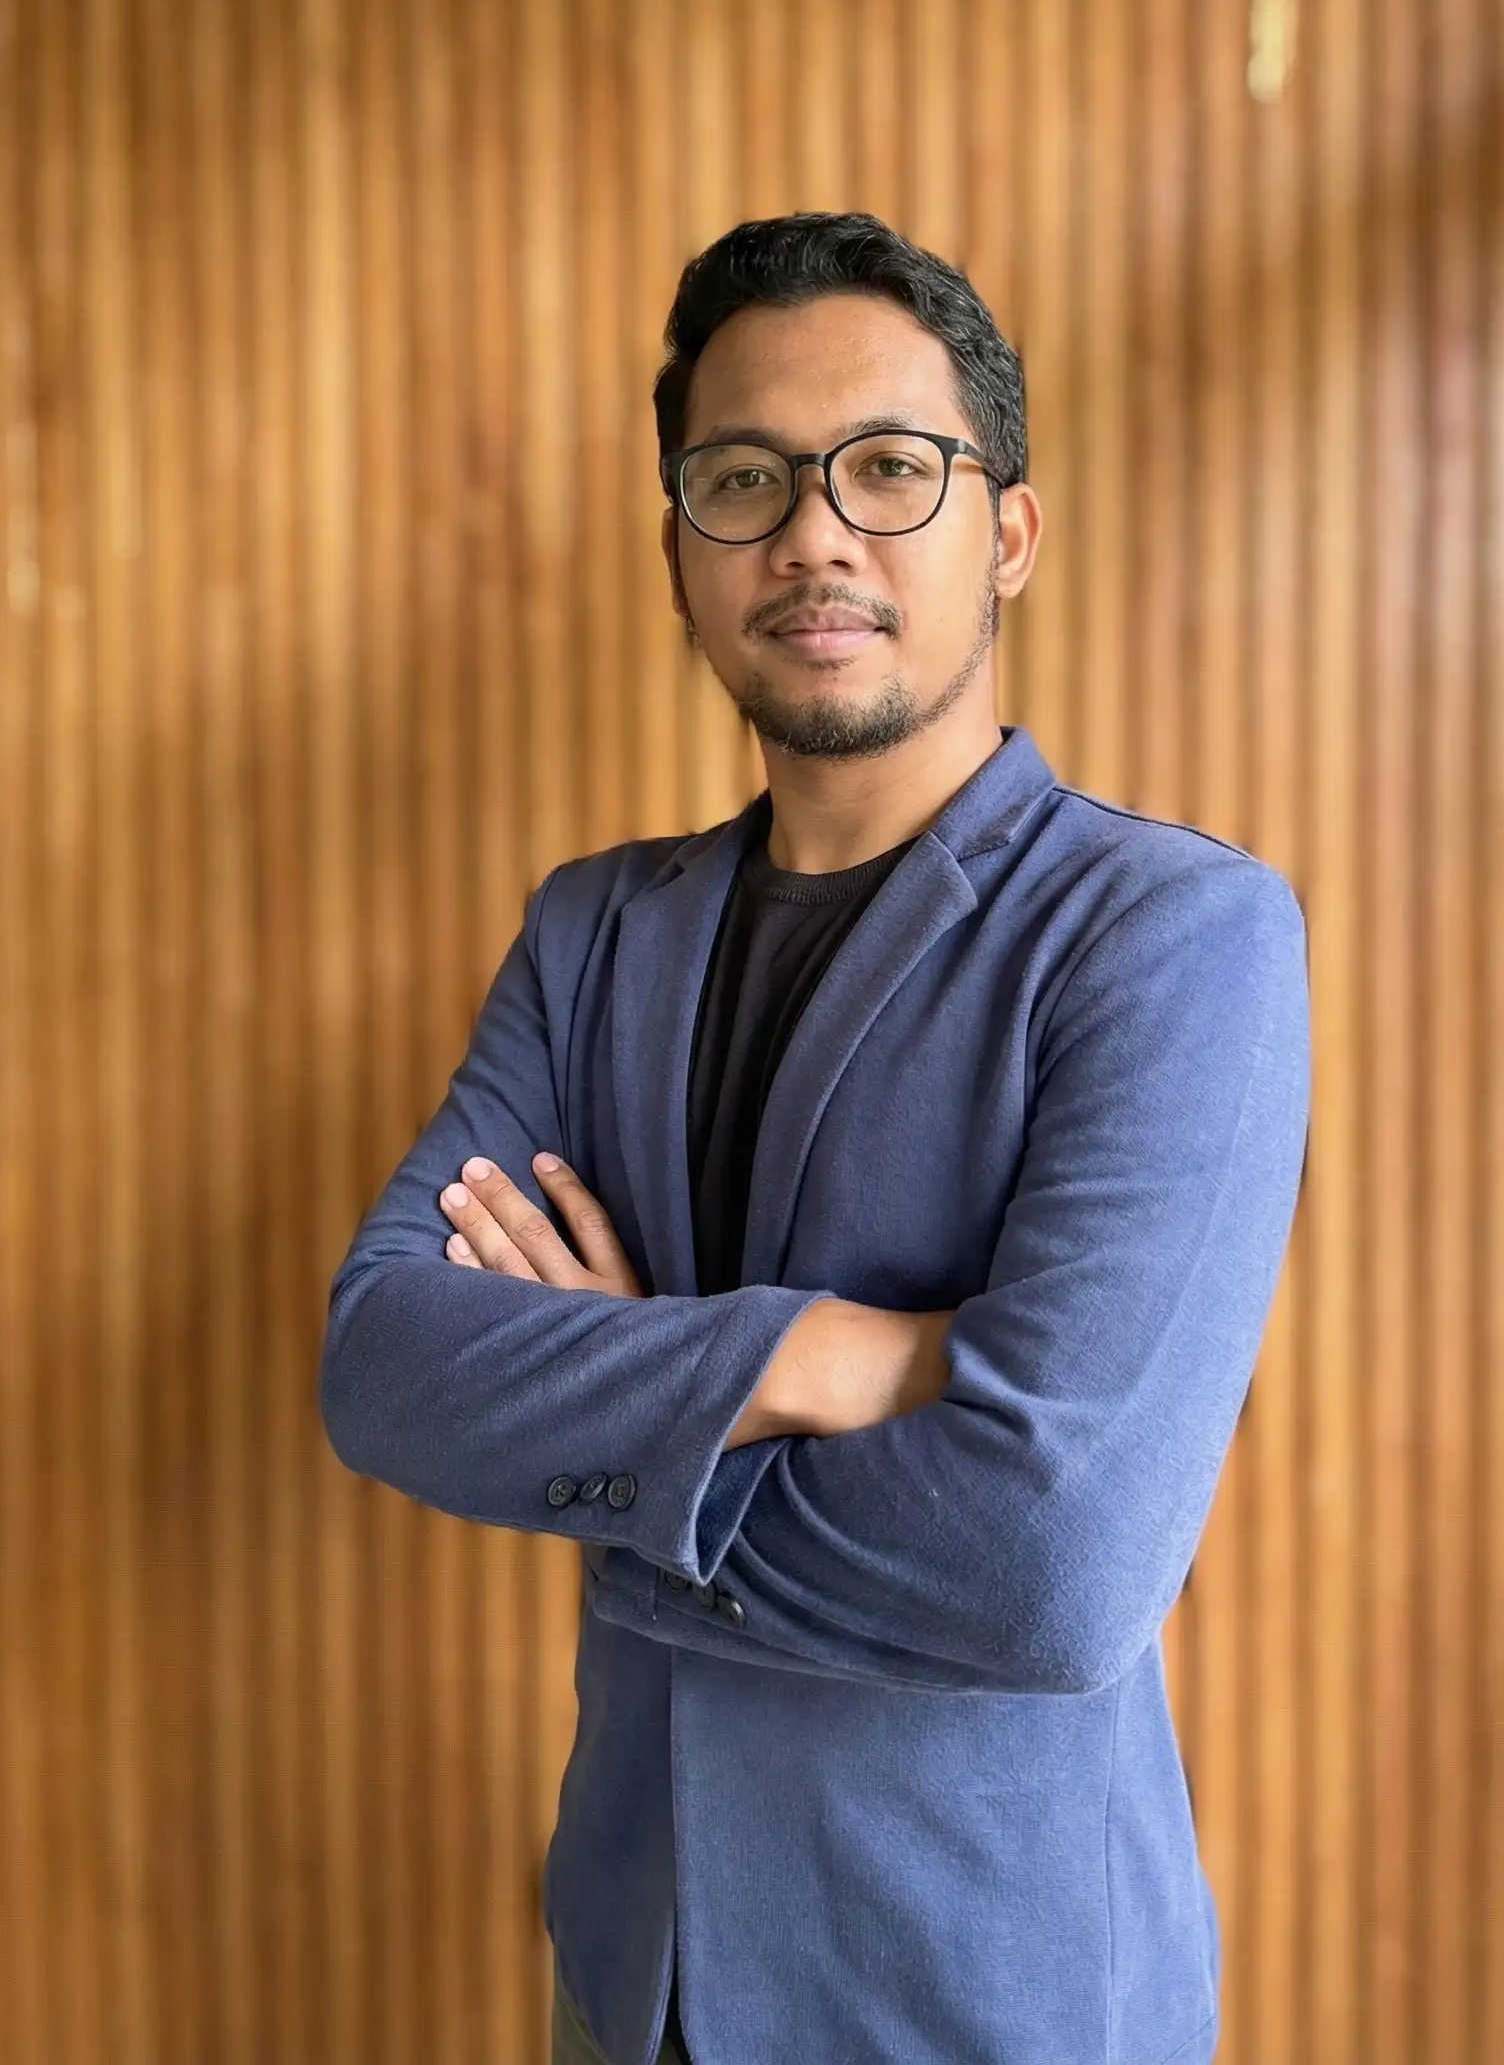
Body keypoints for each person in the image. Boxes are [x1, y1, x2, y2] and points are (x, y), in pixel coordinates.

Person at [318, 211, 1312, 2065]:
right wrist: (812, 1358)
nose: (813, 534)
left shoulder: (1169, 937)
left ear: (1007, 533)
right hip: (630, 1983)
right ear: (681, 556)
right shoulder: (592, 934)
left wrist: (619, 1435)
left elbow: (1057, 1567)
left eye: (889, 469)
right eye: (744, 480)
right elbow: (382, 1366)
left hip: (980, 2003)